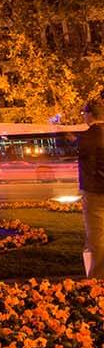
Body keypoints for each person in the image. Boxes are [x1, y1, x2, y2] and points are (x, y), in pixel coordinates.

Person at [80, 97, 104, 277]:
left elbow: (89, 165)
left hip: (95, 191)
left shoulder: (89, 136)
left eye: (84, 113)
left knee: (96, 234)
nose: (83, 117)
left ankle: (98, 277)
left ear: (90, 114)